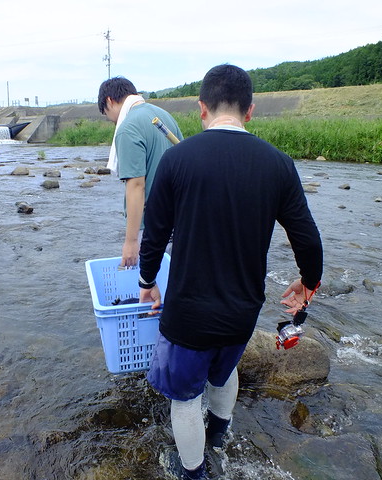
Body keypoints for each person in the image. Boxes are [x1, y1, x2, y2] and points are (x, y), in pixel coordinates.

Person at [137, 64, 323, 479]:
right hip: (242, 310)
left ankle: (193, 472)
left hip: (189, 312)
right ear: (250, 111)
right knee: (224, 374)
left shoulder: (177, 159)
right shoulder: (277, 164)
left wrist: (147, 282)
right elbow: (307, 239)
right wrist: (308, 282)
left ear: (201, 109)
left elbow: (154, 235)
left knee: (184, 399)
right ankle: (220, 436)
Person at [98, 77, 183, 267]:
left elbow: (136, 185)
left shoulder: (128, 128)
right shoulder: (165, 116)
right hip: (178, 222)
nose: (110, 119)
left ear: (110, 101)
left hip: (153, 227)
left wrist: (131, 241)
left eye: (106, 113)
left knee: (150, 289)